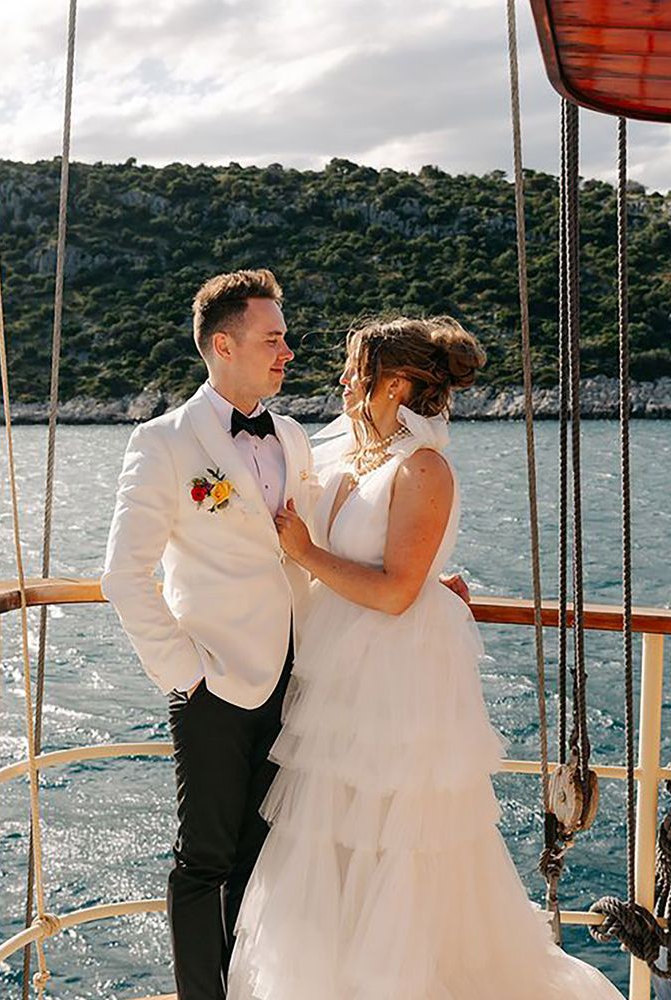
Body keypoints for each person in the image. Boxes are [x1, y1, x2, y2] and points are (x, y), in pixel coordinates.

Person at [226, 317, 625, 1000]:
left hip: (396, 678)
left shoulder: (424, 468)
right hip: (339, 677)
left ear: (396, 382)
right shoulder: (355, 457)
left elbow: (397, 593)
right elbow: (392, 564)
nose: (344, 380)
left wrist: (309, 554)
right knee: (334, 833)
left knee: (398, 840)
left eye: (356, 368)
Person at [103, 272, 468, 1000]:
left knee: (261, 858)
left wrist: (433, 589)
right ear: (223, 344)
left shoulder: (296, 437)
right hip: (213, 682)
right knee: (203, 861)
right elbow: (122, 575)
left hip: (301, 688)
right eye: (273, 339)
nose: (288, 352)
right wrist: (186, 673)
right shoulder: (165, 443)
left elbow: (337, 541)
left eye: (286, 338)